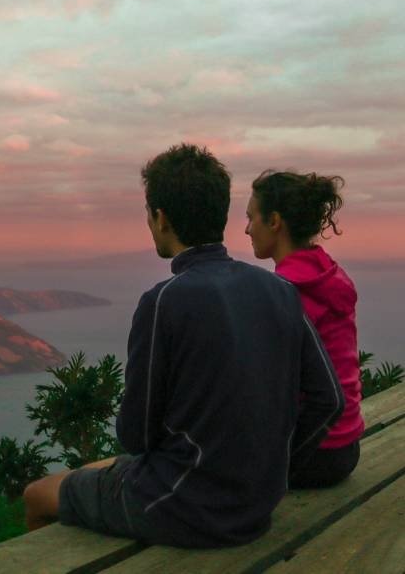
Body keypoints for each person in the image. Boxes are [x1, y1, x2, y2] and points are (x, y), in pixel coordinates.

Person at [22, 143, 345, 548]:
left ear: (160, 218)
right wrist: (275, 470)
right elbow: (329, 400)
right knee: (97, 470)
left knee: (37, 495)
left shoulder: (163, 301)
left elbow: (136, 436)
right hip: (257, 505)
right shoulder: (279, 290)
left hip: (184, 506)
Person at [246, 170, 363, 488]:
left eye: (251, 218)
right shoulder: (330, 275)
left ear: (274, 221)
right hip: (346, 447)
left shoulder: (283, 291)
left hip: (308, 453)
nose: (247, 229)